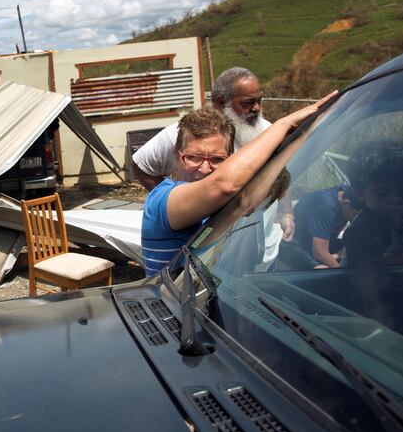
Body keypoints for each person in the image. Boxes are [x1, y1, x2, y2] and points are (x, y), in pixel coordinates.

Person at [141, 93, 334, 278]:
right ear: (176, 156)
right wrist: (284, 123)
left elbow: (247, 201)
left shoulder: (217, 203)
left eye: (217, 159)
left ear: (229, 161)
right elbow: (224, 185)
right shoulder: (162, 201)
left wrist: (306, 131)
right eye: (193, 158)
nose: (204, 169)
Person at [131, 67, 295, 241]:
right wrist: (168, 204)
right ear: (220, 102)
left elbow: (280, 176)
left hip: (253, 239)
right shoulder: (184, 133)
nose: (256, 108)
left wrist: (287, 212)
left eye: (259, 101)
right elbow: (141, 163)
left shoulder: (268, 135)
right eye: (247, 103)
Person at [343, 140, 403, 267]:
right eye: (382, 194)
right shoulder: (361, 233)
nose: (396, 199)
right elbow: (365, 278)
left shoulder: (400, 218)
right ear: (359, 193)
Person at [277, 186, 360, 270]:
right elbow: (319, 253)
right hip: (297, 245)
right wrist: (344, 275)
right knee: (321, 268)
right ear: (346, 203)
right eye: (356, 215)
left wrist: (337, 255)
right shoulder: (326, 205)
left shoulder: (350, 191)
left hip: (324, 242)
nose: (355, 220)